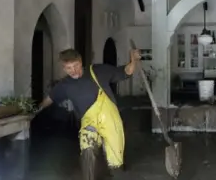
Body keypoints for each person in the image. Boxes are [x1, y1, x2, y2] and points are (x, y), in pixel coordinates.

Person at [38, 48, 141, 179]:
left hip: (110, 120)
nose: (73, 70)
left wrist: (133, 60)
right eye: (68, 68)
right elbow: (50, 98)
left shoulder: (98, 71)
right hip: (89, 121)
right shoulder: (65, 85)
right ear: (64, 68)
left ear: (80, 61)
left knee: (116, 161)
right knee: (87, 148)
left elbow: (126, 71)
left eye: (75, 65)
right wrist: (36, 109)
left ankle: (117, 172)